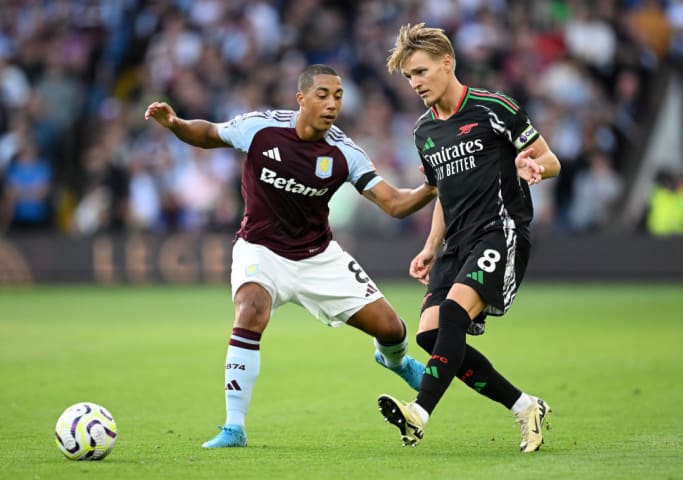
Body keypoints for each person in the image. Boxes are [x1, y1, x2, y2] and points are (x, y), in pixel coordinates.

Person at [144, 64, 437, 448]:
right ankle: (234, 426)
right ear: (301, 99)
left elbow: (395, 204)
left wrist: (432, 186)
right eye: (323, 95)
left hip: (318, 257)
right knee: (249, 309)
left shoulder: (344, 152)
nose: (332, 104)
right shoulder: (262, 128)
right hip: (260, 249)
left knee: (391, 329)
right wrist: (175, 124)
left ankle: (395, 361)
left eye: (338, 96)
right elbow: (210, 133)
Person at [376, 23, 561, 452]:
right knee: (430, 334)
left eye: (420, 72)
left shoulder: (493, 107)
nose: (415, 83)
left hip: (501, 229)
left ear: (447, 62)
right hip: (456, 243)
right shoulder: (424, 132)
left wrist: (536, 169)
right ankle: (524, 405)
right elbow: (442, 193)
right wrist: (430, 246)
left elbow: (550, 159)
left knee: (455, 313)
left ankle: (418, 413)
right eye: (408, 77)